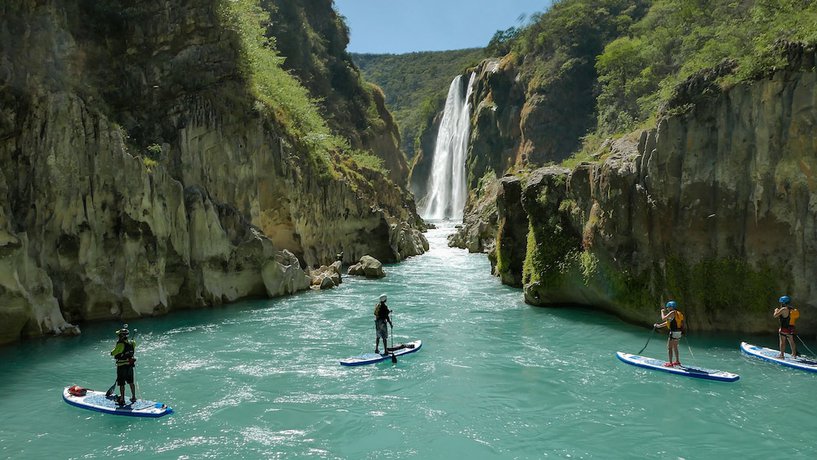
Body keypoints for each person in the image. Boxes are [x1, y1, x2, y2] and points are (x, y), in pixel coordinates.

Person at [110, 326, 137, 405]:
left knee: (121, 383)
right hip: (130, 366)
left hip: (122, 366)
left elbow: (113, 353)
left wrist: (116, 347)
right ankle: (133, 397)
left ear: (121, 336)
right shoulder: (133, 342)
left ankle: (122, 399)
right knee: (131, 382)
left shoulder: (120, 344)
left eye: (119, 335)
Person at [654, 300, 684, 367]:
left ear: (671, 307)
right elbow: (668, 322)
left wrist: (662, 312)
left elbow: (663, 318)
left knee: (669, 348)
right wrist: (659, 326)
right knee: (675, 347)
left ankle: (670, 363)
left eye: (668, 307)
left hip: (673, 333)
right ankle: (677, 361)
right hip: (679, 332)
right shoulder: (677, 313)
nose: (667, 308)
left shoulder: (672, 312)